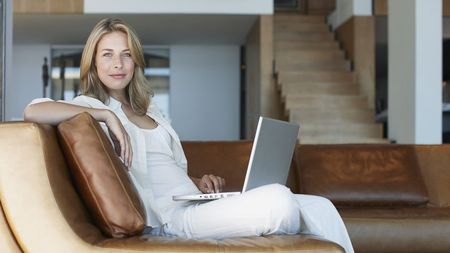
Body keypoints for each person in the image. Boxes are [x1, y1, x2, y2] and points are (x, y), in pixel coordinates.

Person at [24, 18, 354, 253]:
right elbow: (34, 110)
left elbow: (165, 169)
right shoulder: (89, 107)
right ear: (93, 62)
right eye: (107, 54)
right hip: (169, 220)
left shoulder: (151, 111)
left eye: (125, 54)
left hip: (192, 205)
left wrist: (197, 182)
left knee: (321, 205)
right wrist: (106, 114)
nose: (118, 63)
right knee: (279, 200)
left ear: (135, 60)